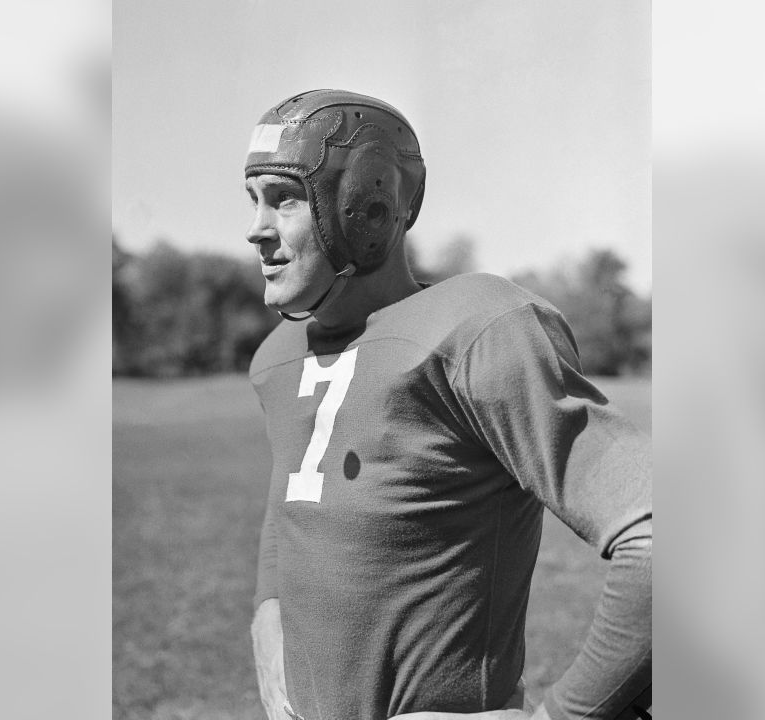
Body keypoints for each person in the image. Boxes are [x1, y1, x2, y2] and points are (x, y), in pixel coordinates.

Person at [244, 89, 652, 720]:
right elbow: (290, 509)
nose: (257, 229)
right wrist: (267, 615)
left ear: (364, 206)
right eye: (254, 201)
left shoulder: (480, 327)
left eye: (285, 198)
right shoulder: (278, 356)